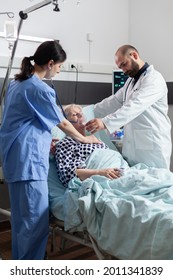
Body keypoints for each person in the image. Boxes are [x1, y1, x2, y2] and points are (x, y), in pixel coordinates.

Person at [0, 41, 100, 260]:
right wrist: (84, 139)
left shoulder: (17, 83)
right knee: (34, 223)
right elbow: (62, 123)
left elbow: (31, 119)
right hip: (29, 163)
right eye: (60, 67)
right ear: (51, 63)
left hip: (15, 160)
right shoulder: (39, 88)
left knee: (20, 222)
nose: (59, 70)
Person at [85, 44, 172, 169]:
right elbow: (114, 101)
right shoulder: (131, 81)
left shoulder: (154, 79)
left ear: (134, 56)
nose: (123, 70)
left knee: (154, 181)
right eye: (120, 67)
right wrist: (88, 112)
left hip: (152, 146)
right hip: (134, 145)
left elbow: (134, 106)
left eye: (124, 64)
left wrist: (105, 122)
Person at [54, 104, 123, 187]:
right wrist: (101, 173)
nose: (80, 115)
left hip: (119, 170)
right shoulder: (65, 143)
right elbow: (67, 174)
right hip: (103, 178)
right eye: (74, 114)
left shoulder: (95, 139)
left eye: (81, 113)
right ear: (66, 122)